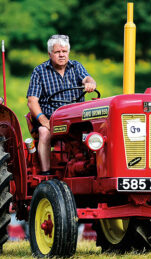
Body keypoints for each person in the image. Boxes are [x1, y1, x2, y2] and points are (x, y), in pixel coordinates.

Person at [27, 34, 97, 175]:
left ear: (68, 53)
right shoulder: (39, 71)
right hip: (51, 119)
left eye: (64, 52)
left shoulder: (76, 66)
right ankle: (46, 173)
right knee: (43, 132)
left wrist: (90, 83)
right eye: (57, 52)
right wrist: (43, 120)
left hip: (75, 121)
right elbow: (32, 101)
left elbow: (87, 78)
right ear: (50, 53)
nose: (61, 55)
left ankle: (93, 167)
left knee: (96, 131)